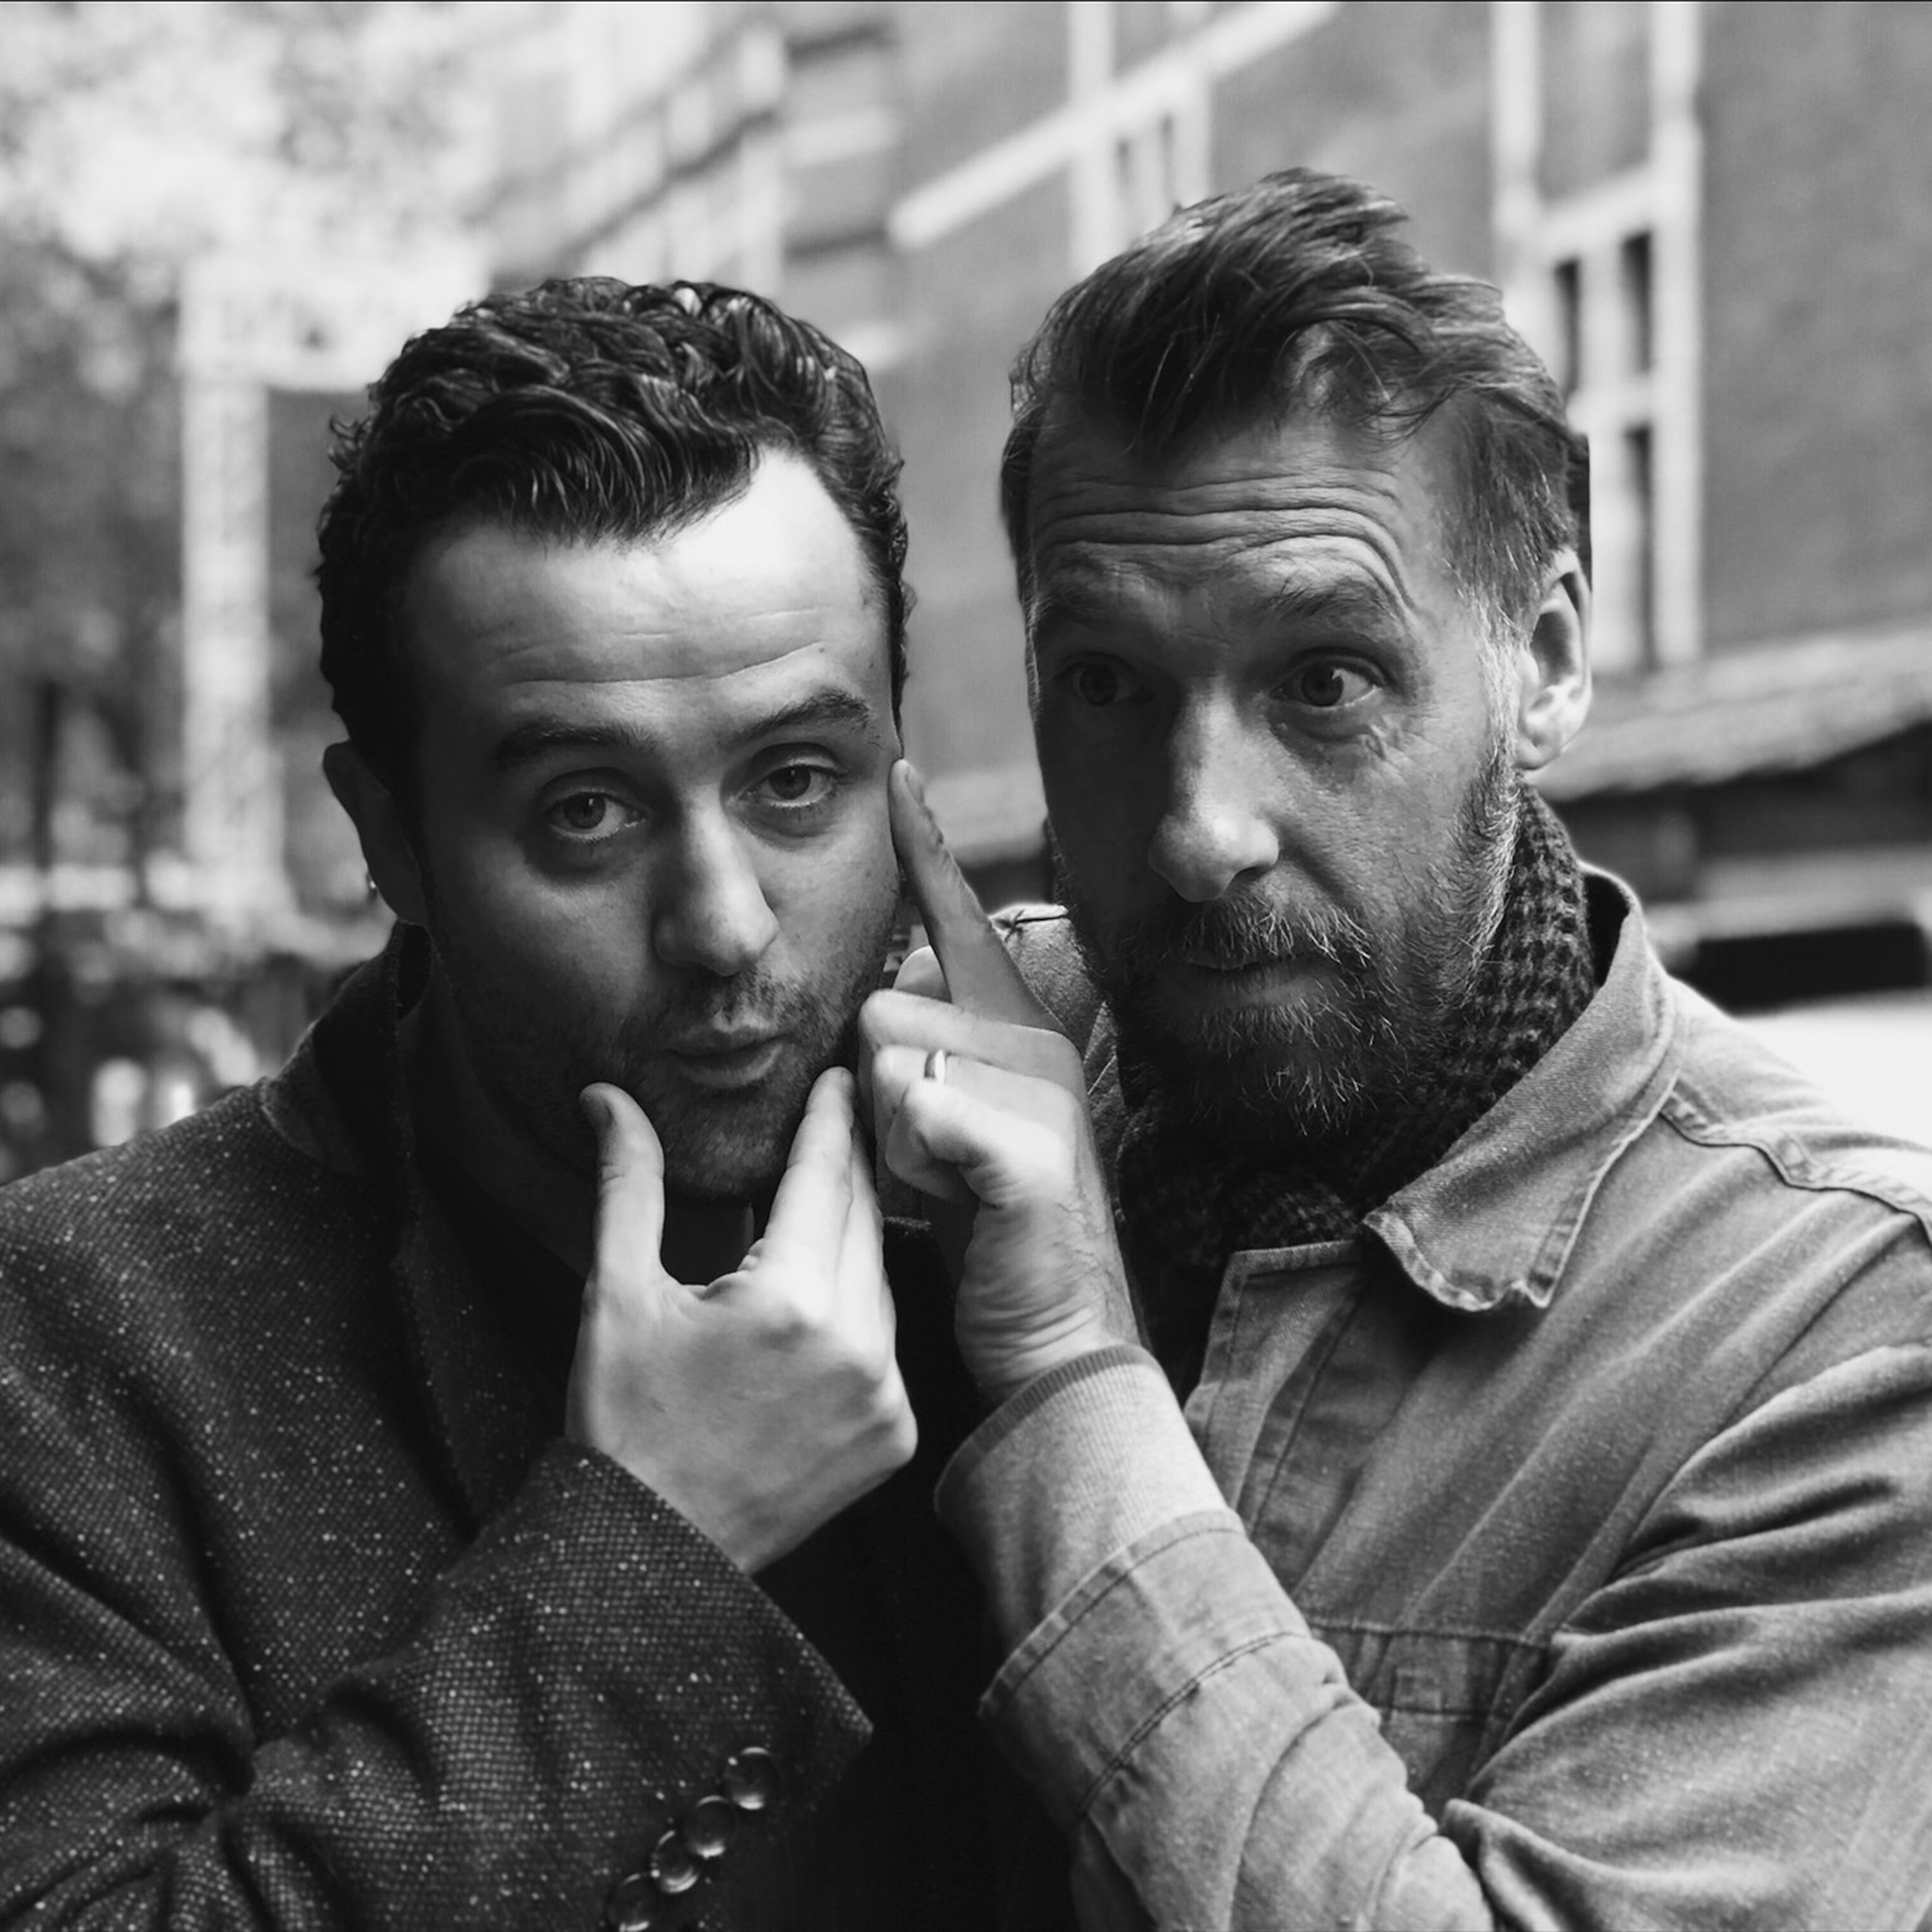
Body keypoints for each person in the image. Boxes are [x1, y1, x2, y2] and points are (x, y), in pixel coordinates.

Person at [862, 169, 1932, 1928]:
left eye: (1326, 681)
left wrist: (1064, 1376)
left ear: (1547, 662)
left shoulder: (1839, 1338)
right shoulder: (937, 1092)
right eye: (1109, 685)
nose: (1200, 831)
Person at [0, 280, 994, 1930]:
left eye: (795, 781)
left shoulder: (1048, 1230)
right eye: (586, 811)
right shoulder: (77, 1334)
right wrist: (651, 1553)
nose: (724, 923)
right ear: (391, 839)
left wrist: (1080, 1368)